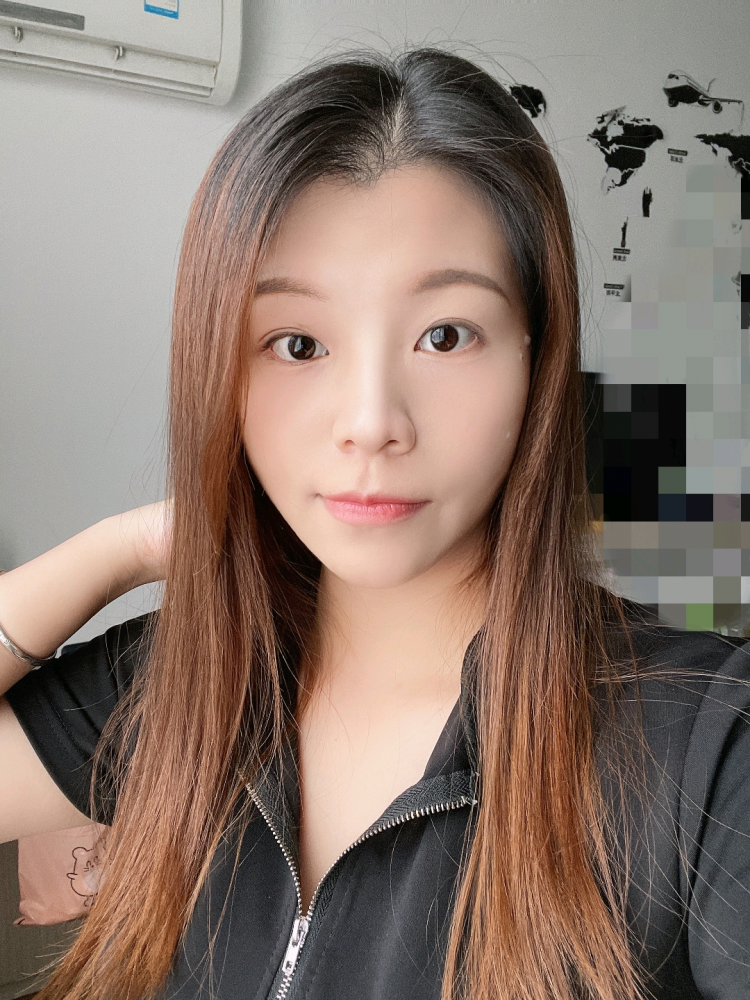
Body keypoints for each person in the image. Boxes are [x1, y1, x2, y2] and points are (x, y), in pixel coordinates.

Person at [0, 47, 748, 1000]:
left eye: (446, 335)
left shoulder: (705, 741)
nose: (371, 423)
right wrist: (130, 548)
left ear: (537, 358)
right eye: (297, 343)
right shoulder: (179, 683)